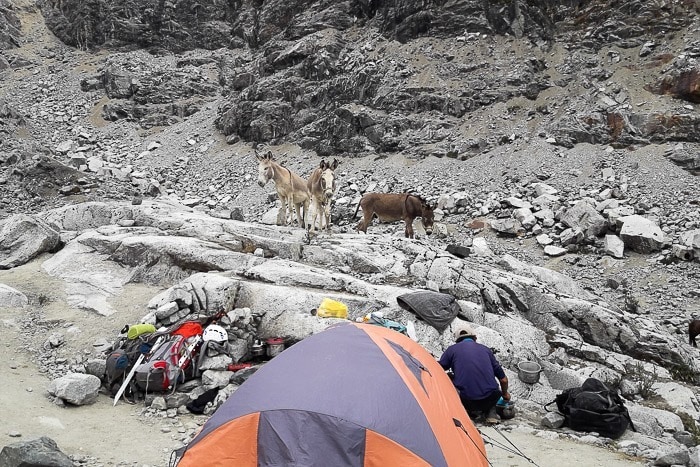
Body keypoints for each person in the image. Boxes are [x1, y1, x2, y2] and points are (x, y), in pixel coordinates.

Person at [438, 323, 510, 424]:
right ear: (475, 338)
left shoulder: (452, 350)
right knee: (493, 387)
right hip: (490, 399)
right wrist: (505, 394)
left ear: (457, 340)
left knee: (449, 376)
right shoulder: (486, 350)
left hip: (467, 400)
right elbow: (503, 380)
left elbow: (439, 369)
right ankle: (491, 413)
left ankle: (464, 411)